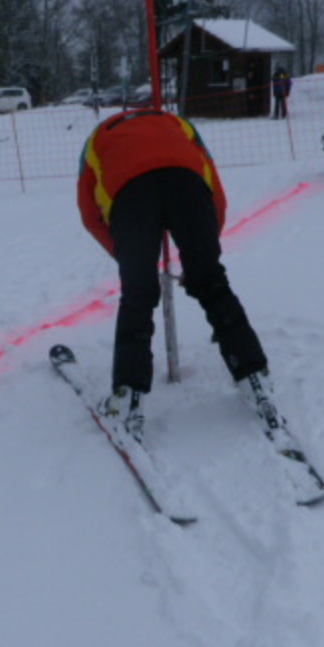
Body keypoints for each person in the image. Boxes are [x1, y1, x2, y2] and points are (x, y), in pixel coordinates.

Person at [76, 107, 280, 442]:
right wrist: (202, 260)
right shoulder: (178, 123)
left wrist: (130, 260)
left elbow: (90, 214)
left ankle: (127, 394)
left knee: (138, 295)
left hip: (130, 194)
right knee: (212, 283)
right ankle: (253, 373)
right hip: (188, 185)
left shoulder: (96, 139)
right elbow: (214, 192)